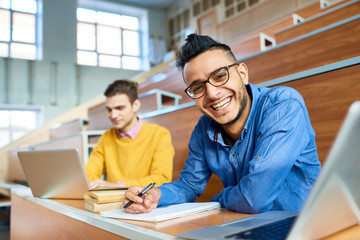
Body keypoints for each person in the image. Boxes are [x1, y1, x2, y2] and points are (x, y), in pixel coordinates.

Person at [123, 34, 321, 214]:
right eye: (198, 87)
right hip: (246, 227)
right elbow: (190, 185)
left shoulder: (283, 105)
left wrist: (219, 199)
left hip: (306, 226)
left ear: (243, 74)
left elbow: (254, 199)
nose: (212, 94)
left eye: (220, 76)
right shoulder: (203, 129)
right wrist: (156, 194)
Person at [85, 79, 174, 188]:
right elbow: (90, 173)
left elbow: (162, 179)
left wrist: (117, 186)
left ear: (135, 105)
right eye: (109, 110)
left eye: (119, 108)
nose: (113, 115)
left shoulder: (160, 134)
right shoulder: (106, 137)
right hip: (113, 202)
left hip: (143, 201)